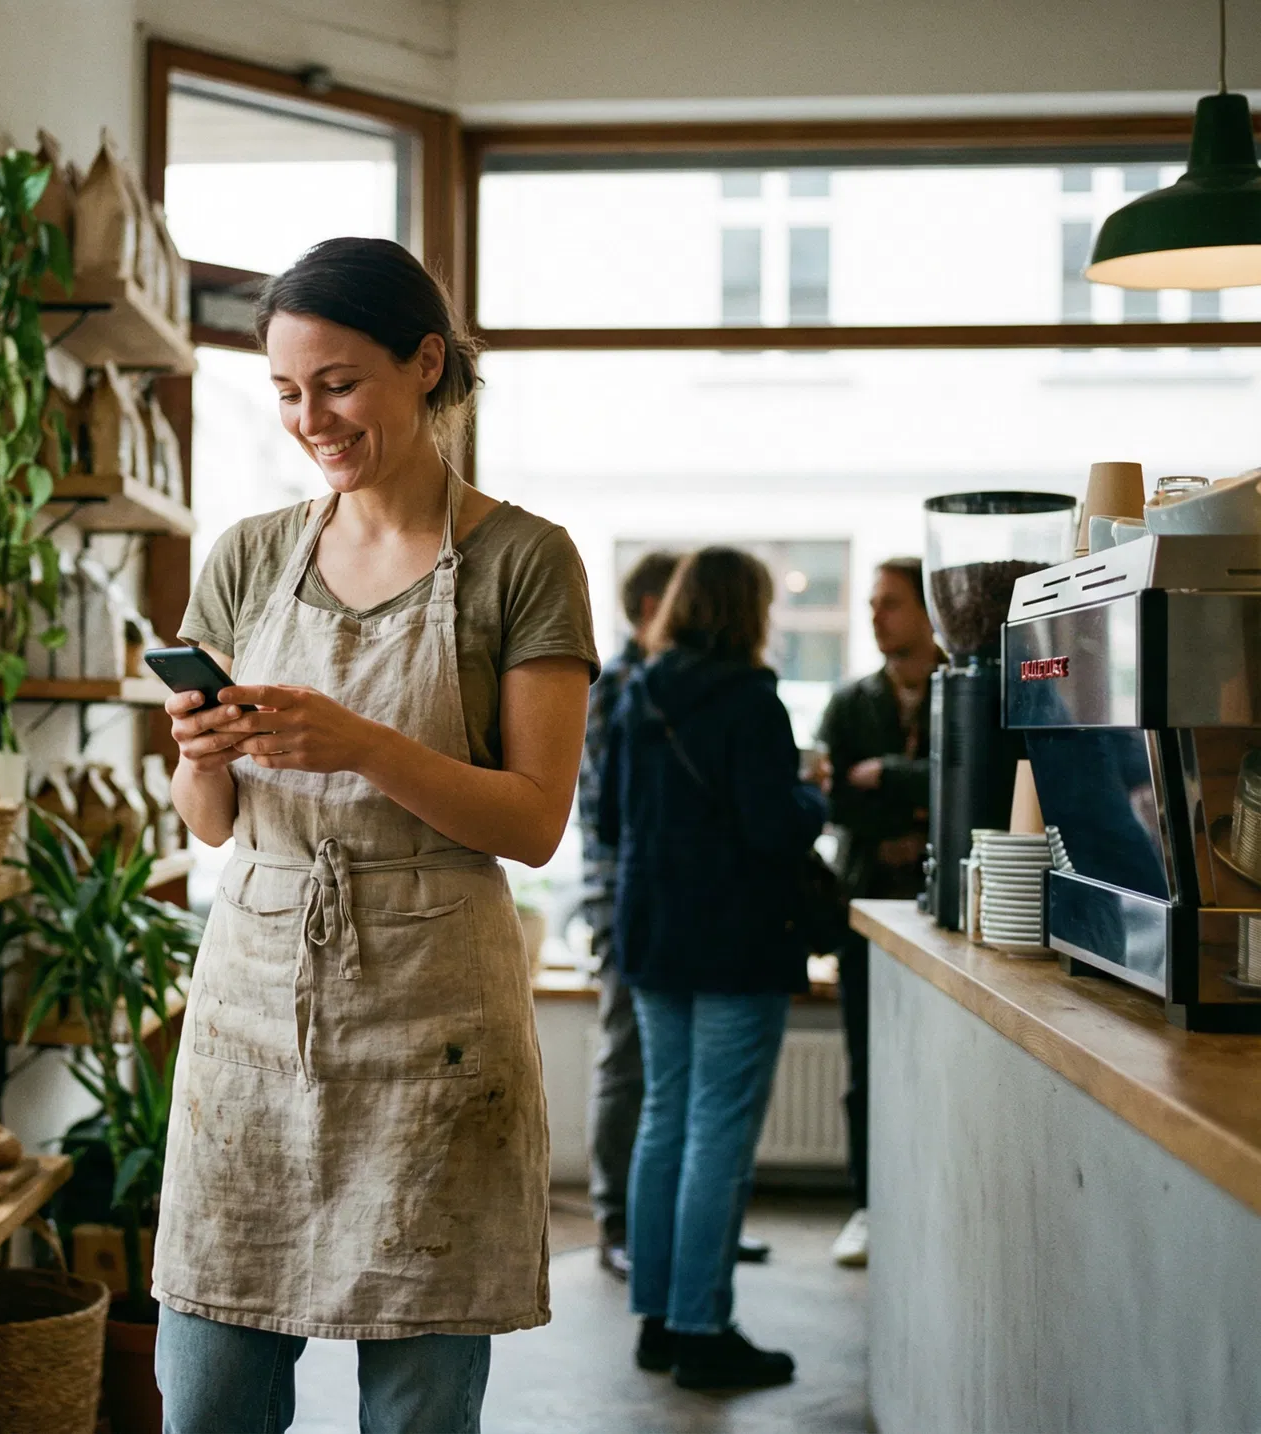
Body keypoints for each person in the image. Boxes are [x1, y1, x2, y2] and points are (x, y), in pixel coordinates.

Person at [153, 236, 598, 1434]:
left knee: (416, 1415)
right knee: (207, 1405)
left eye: (339, 383)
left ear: (427, 364)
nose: (313, 419)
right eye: (289, 392)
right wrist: (200, 758)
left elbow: (535, 819)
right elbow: (212, 824)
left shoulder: (524, 560)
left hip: (434, 1024)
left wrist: (363, 746)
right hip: (252, 1010)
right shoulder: (249, 555)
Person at [597, 547, 827, 1390]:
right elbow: (775, 827)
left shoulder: (637, 694)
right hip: (735, 937)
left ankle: (657, 1321)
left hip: (653, 931)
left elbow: (614, 822)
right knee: (718, 1133)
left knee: (665, 1118)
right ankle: (703, 1328)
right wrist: (816, 796)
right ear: (749, 611)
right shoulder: (751, 699)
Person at [816, 556, 939, 1268]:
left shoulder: (963, 691)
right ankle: (868, 1204)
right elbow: (834, 801)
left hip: (943, 909)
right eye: (871, 603)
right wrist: (916, 801)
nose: (874, 616)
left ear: (927, 612)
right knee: (867, 1063)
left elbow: (978, 785)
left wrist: (887, 776)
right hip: (865, 906)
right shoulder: (851, 702)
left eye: (889, 603)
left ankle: (927, 1198)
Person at [581, 550, 677, 1278]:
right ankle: (615, 1221)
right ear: (650, 607)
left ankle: (665, 1221)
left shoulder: (657, 684)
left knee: (667, 1071)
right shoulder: (617, 686)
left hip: (655, 898)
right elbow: (601, 813)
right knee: (626, 1063)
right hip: (623, 901)